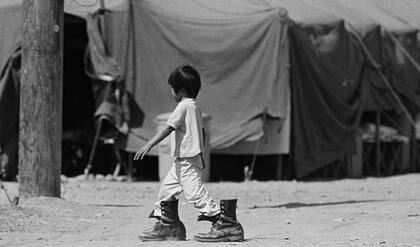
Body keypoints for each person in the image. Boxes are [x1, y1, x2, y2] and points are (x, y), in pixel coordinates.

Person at [134, 64, 244, 242]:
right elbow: (202, 133)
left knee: (195, 193)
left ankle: (225, 222)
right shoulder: (195, 108)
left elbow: (169, 127)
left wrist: (148, 144)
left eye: (172, 87)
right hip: (183, 161)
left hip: (187, 160)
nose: (171, 91)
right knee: (166, 191)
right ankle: (168, 226)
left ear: (181, 88)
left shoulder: (184, 106)